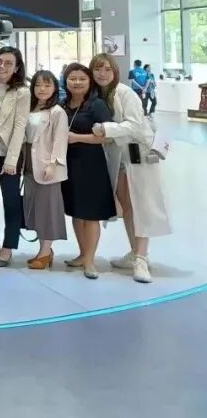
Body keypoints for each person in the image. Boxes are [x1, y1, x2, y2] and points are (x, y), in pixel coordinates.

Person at [89, 54, 171, 284]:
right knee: (127, 206)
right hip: (120, 157)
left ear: (115, 71)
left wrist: (105, 128)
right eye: (98, 69)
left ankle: (141, 258)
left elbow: (134, 125)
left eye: (107, 69)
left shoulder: (125, 93)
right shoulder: (98, 95)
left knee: (141, 206)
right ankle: (135, 252)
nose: (102, 73)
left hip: (139, 155)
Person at [60, 63, 115, 280]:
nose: (77, 82)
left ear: (89, 81)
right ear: (66, 81)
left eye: (82, 79)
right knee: (76, 211)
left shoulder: (96, 105)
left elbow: (107, 136)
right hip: (69, 164)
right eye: (72, 78)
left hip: (91, 164)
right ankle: (82, 254)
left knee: (91, 215)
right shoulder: (63, 104)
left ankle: (90, 260)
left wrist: (77, 138)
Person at [0, 46, 30, 267]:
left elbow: (20, 126)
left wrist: (12, 160)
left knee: (11, 201)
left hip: (8, 155)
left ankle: (8, 246)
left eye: (8, 63)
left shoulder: (21, 92)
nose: (2, 66)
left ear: (17, 67)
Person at [22, 70, 69, 271]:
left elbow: (60, 140)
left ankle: (45, 251)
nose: (42, 89)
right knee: (36, 209)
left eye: (47, 85)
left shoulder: (57, 112)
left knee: (48, 209)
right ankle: (43, 250)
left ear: (55, 88)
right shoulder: (29, 108)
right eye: (38, 85)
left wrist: (53, 164)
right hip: (29, 164)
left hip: (46, 166)